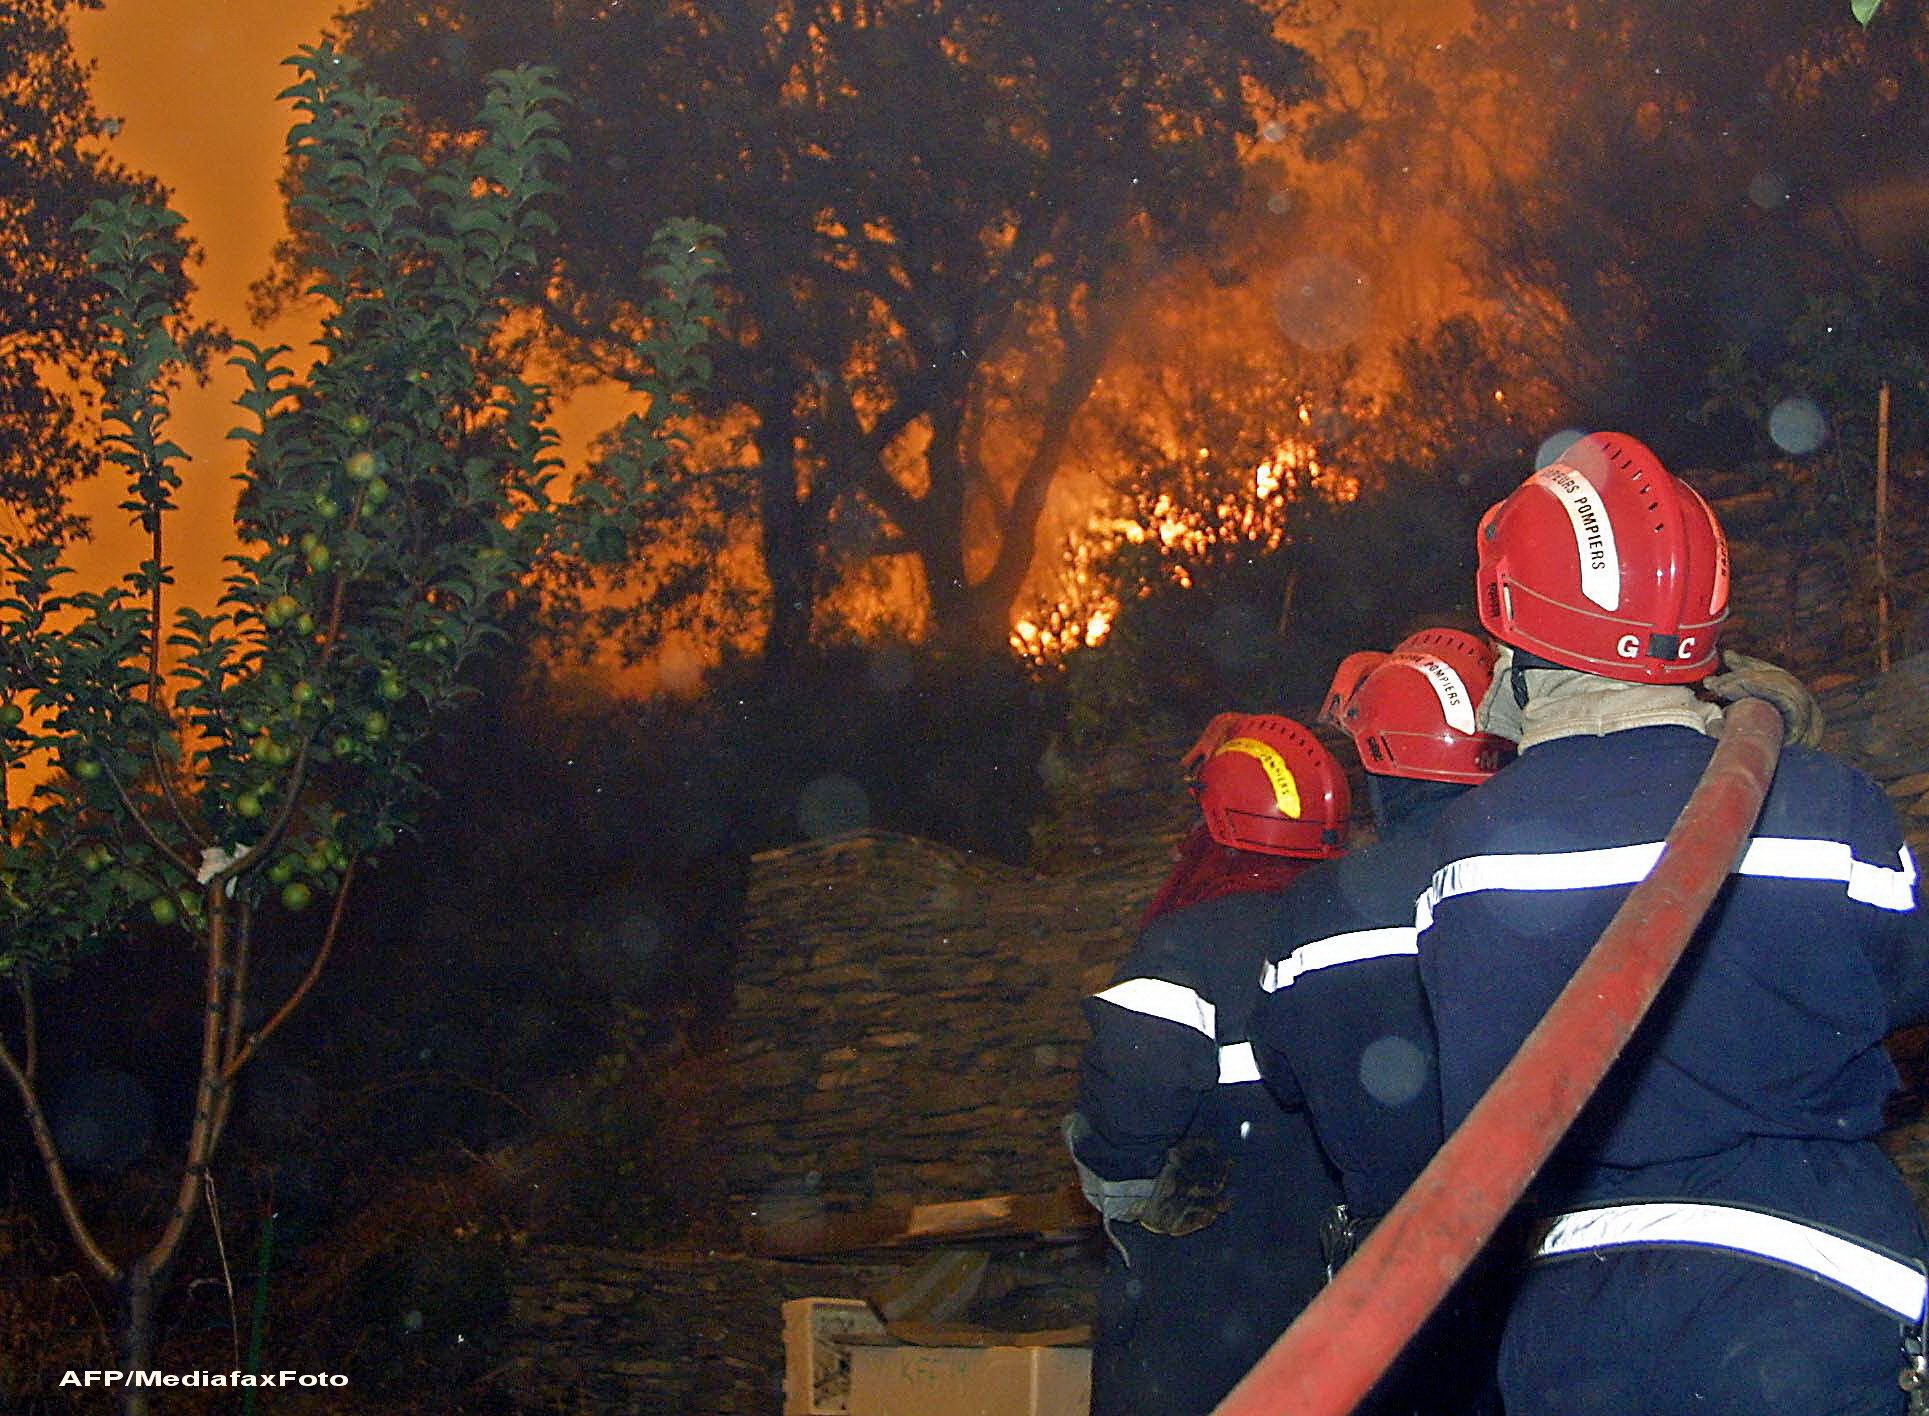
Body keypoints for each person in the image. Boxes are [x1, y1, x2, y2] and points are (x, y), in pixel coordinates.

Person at [1416, 430, 1929, 1415]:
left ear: (1511, 614)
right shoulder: (1827, 807)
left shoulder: (1471, 852)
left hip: (1583, 1327)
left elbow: (1476, 1106)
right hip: (1814, 1298)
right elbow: (1905, 972)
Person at [1249, 627, 1512, 1414]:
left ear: (1375, 759)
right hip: (1538, 1271)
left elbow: (1283, 1076)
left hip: (1386, 1285)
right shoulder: (1531, 860)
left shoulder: (1318, 906)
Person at [1068, 713, 1349, 1416]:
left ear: (1215, 820)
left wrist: (1123, 1190)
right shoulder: (1358, 929)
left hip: (1204, 1301)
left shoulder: (1184, 945)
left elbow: (1133, 1094)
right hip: (1336, 1296)